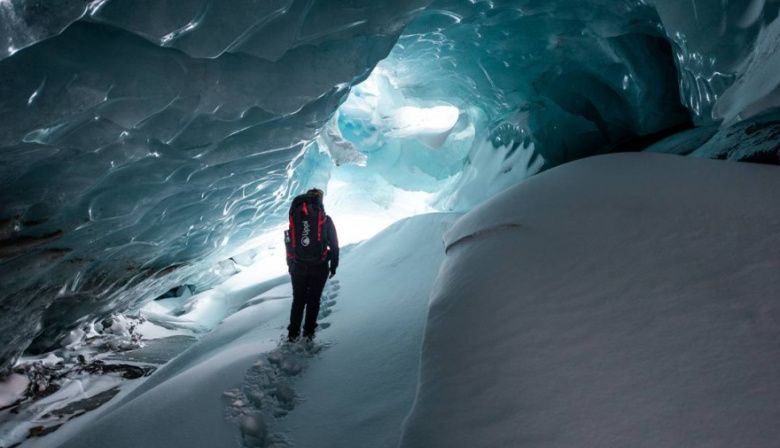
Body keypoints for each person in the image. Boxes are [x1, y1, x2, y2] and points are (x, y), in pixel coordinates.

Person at [285, 188, 339, 342]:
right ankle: (308, 334)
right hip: (319, 265)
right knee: (313, 300)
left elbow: (289, 241)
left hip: (298, 266)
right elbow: (334, 245)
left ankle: (293, 334)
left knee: (298, 300)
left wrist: (290, 264)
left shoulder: (296, 217)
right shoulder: (325, 220)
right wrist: (333, 266)